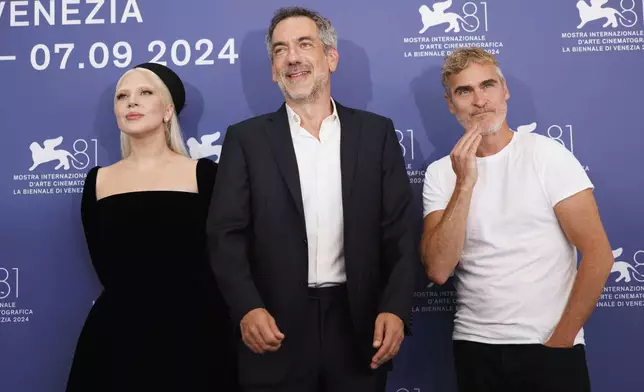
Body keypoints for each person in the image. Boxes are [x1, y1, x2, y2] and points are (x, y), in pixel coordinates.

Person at [207, 7, 416, 392]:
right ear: (273, 69)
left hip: (358, 327)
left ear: (330, 57)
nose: (292, 58)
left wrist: (396, 308)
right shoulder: (245, 140)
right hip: (273, 327)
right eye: (280, 50)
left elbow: (401, 232)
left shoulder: (376, 134)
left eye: (305, 44)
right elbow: (225, 235)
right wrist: (247, 307)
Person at [420, 47, 614, 392]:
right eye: (464, 91)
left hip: (550, 346)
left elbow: (598, 254)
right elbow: (438, 269)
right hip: (474, 347)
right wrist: (465, 183)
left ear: (505, 89)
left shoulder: (547, 155)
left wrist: (562, 339)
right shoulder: (440, 173)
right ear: (451, 103)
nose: (480, 100)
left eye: (488, 85)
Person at [66, 63, 238, 392]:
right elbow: (103, 262)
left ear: (168, 109)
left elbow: (225, 255)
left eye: (145, 93)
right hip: (118, 338)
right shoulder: (98, 181)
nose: (132, 102)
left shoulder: (203, 174)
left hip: (196, 335)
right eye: (122, 96)